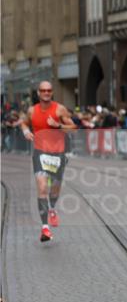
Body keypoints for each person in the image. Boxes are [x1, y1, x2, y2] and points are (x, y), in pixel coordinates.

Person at [20, 81, 77, 242]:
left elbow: (73, 127)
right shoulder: (32, 110)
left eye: (49, 90)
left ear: (52, 92)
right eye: (43, 90)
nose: (46, 93)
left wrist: (58, 125)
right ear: (38, 93)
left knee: (54, 191)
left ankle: (52, 208)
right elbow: (24, 122)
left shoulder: (59, 109)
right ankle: (45, 228)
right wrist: (25, 131)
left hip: (58, 154)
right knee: (42, 187)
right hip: (39, 153)